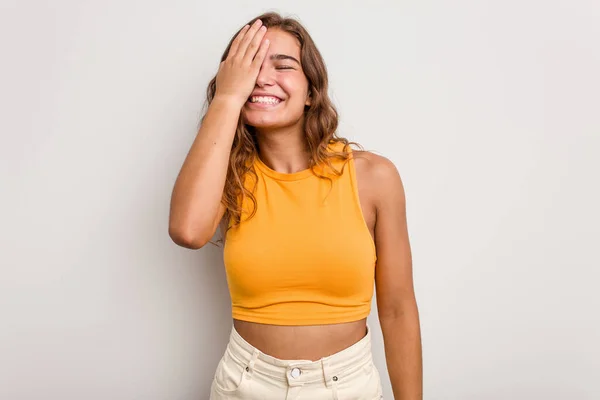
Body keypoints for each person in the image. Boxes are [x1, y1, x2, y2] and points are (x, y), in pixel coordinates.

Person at [169, 12, 422, 400]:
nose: (261, 78)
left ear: (310, 92)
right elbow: (187, 231)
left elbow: (399, 309)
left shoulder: (373, 176)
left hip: (348, 385)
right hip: (246, 383)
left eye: (282, 65)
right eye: (249, 66)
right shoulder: (228, 180)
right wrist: (228, 97)